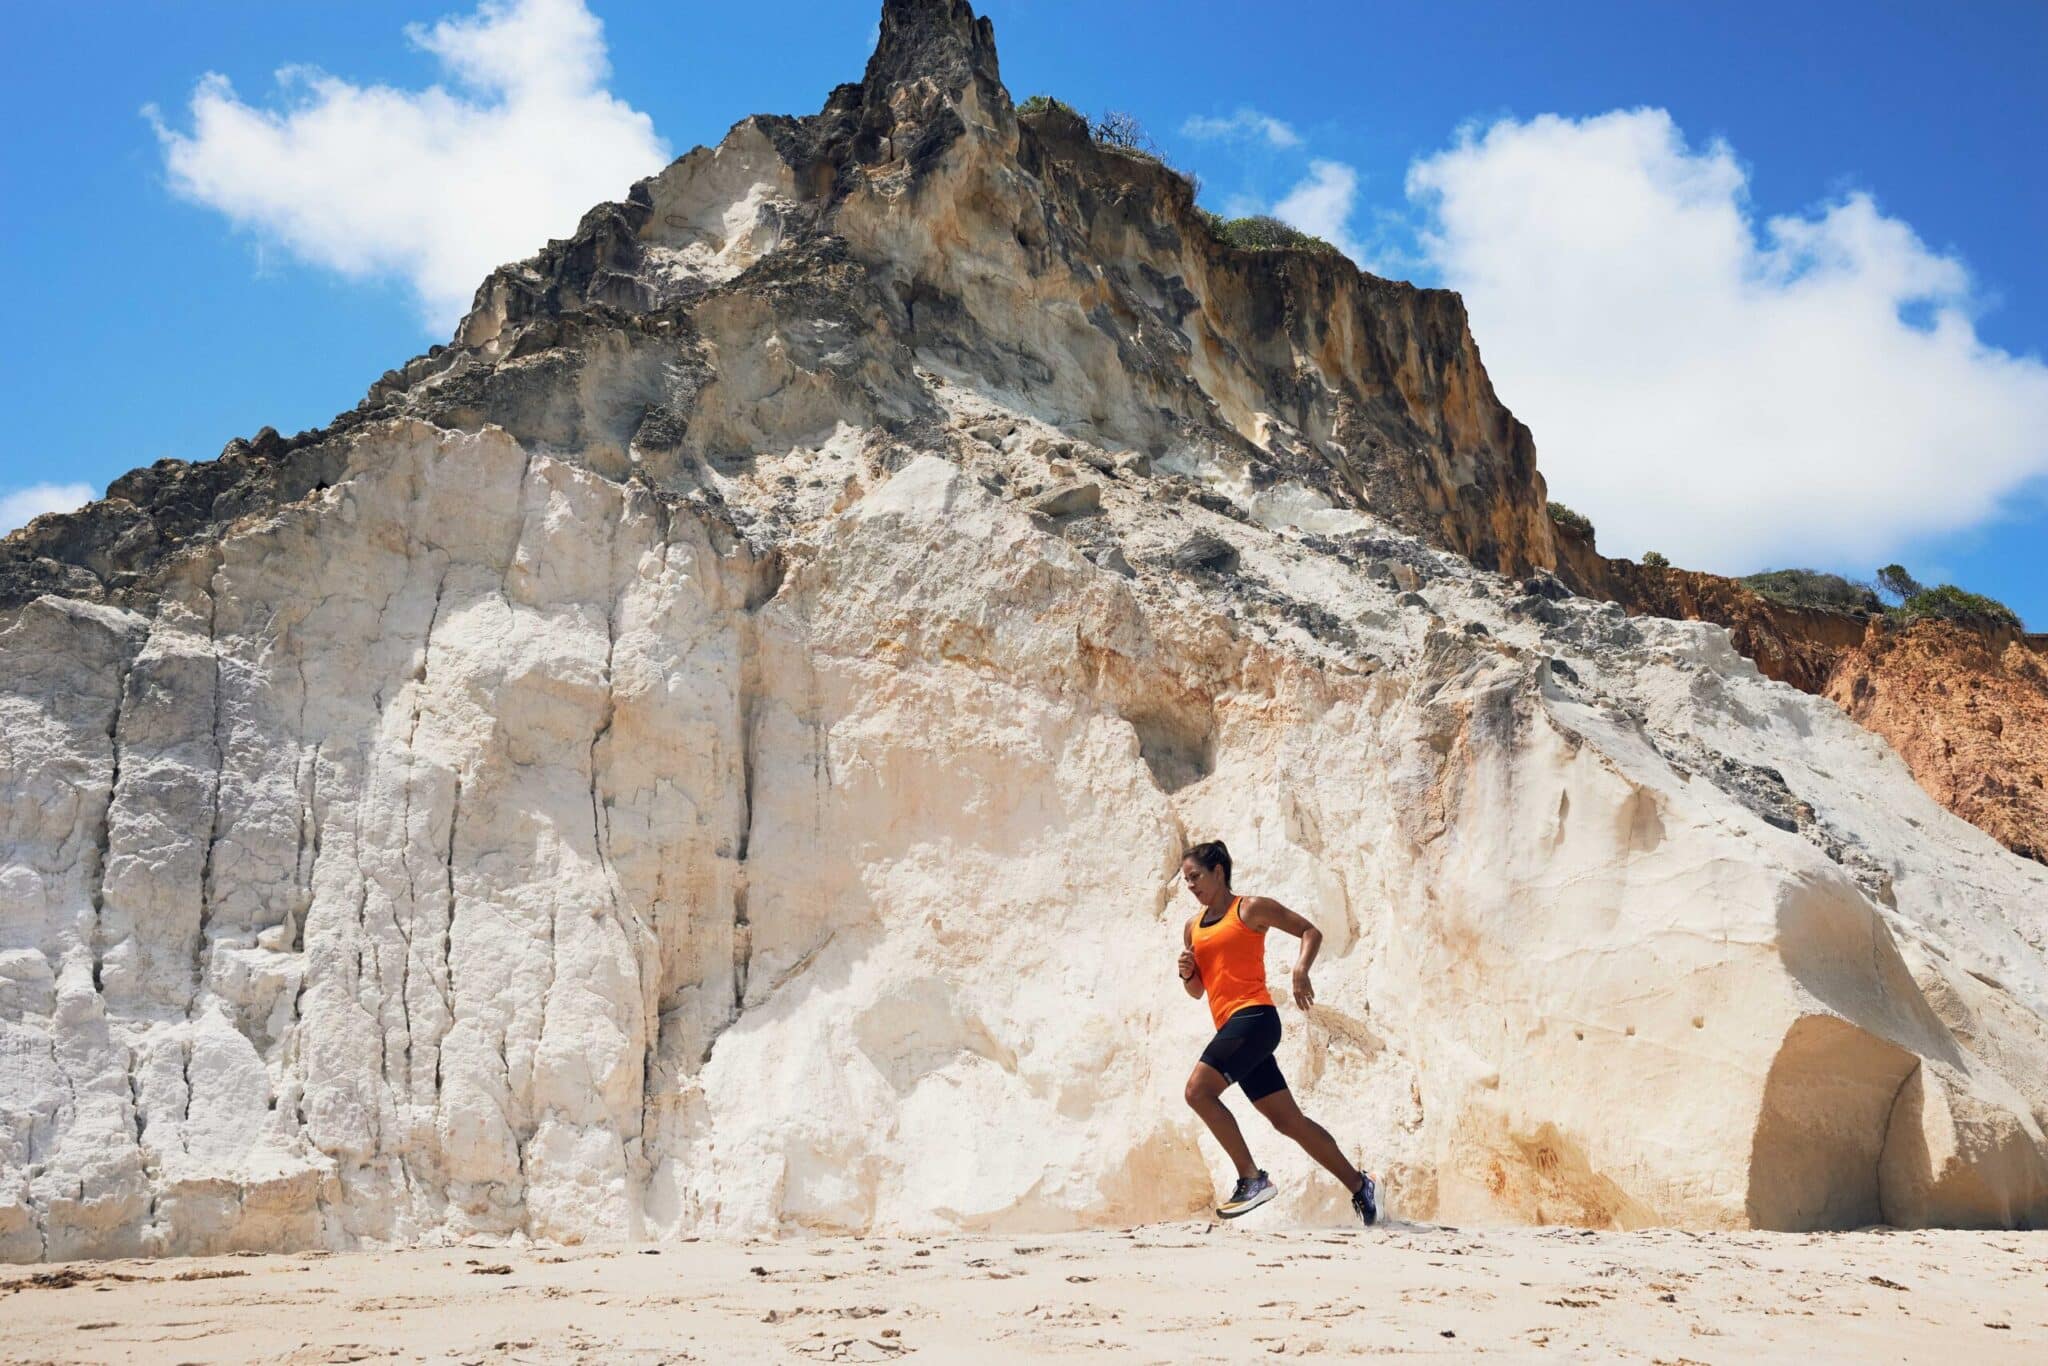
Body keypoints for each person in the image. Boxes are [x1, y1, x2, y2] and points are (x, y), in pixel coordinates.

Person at [1176, 840, 1377, 1225]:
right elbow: (1197, 990)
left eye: (1196, 877)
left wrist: (1301, 969)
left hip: (1254, 1019)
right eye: (1186, 881)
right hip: (1233, 1028)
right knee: (1288, 1122)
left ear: (1218, 872)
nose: (1191, 886)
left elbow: (1309, 931)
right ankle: (1360, 1185)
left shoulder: (1249, 908)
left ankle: (1252, 1178)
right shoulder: (1192, 928)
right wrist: (1187, 972)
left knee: (1197, 1091)